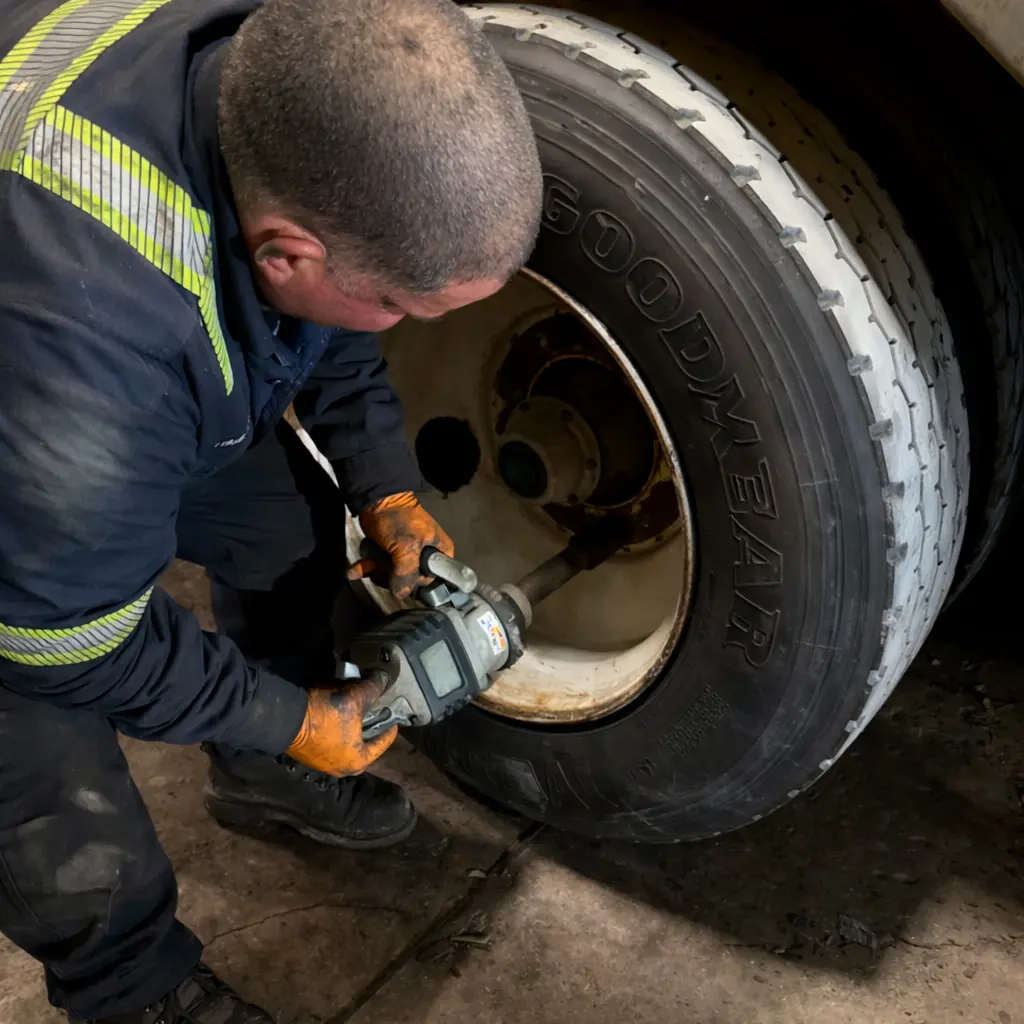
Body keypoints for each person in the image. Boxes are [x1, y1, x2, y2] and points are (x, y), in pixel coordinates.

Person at [0, 0, 543, 1019]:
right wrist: (288, 717)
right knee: (38, 737)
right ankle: (133, 987)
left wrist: (382, 482)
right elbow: (64, 639)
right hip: (39, 397)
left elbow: (328, 313)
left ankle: (256, 774)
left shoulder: (270, 82)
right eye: (400, 307)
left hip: (107, 354)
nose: (396, 322)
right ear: (283, 251)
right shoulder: (92, 347)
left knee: (285, 528)